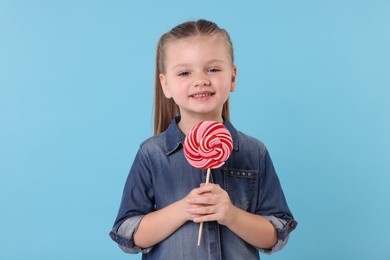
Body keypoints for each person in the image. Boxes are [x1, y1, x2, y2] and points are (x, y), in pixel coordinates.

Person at [109, 19, 297, 259]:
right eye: (185, 72)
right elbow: (128, 235)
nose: (201, 80)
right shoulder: (152, 153)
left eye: (213, 69)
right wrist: (184, 209)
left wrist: (231, 215)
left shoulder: (253, 152)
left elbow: (276, 235)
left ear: (233, 77)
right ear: (166, 84)